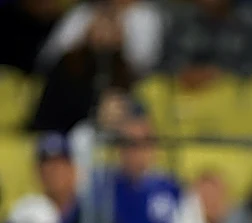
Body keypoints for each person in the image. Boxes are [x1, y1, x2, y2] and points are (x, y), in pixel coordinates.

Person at [30, 0, 164, 132]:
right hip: (61, 133)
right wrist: (95, 109)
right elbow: (57, 108)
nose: (105, 32)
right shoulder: (69, 63)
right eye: (100, 24)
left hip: (109, 136)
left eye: (112, 25)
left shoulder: (124, 68)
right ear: (88, 28)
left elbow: (131, 102)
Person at [161, 0, 252, 88]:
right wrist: (185, 72)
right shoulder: (181, 21)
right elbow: (166, 63)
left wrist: (218, 73)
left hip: (235, 95)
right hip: (186, 95)